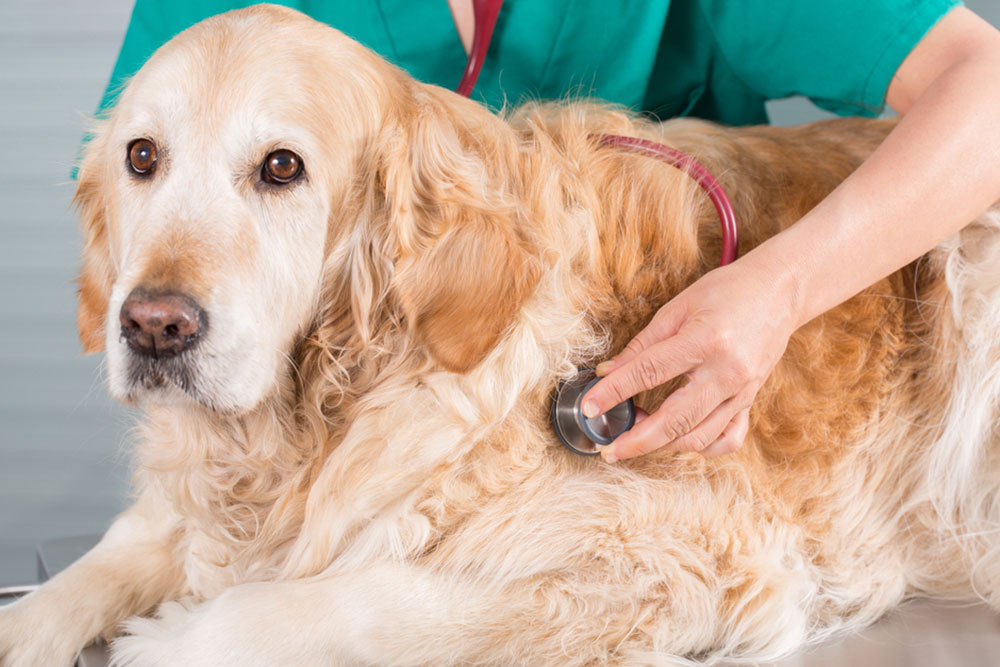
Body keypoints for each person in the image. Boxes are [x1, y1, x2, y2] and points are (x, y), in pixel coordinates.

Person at [95, 0, 1000, 463]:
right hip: (310, 462)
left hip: (646, 460)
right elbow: (135, 211)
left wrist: (781, 288)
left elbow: (986, 86)